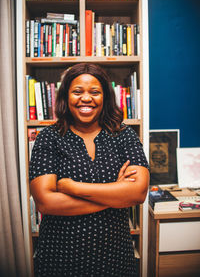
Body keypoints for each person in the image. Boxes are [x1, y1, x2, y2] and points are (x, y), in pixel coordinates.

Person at [29, 63, 149, 277]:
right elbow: (46, 203)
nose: (86, 98)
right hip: (60, 259)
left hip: (116, 258)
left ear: (105, 97)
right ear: (66, 97)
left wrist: (72, 187)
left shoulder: (124, 135)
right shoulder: (49, 138)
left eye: (95, 92)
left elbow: (137, 193)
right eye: (77, 91)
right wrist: (117, 194)